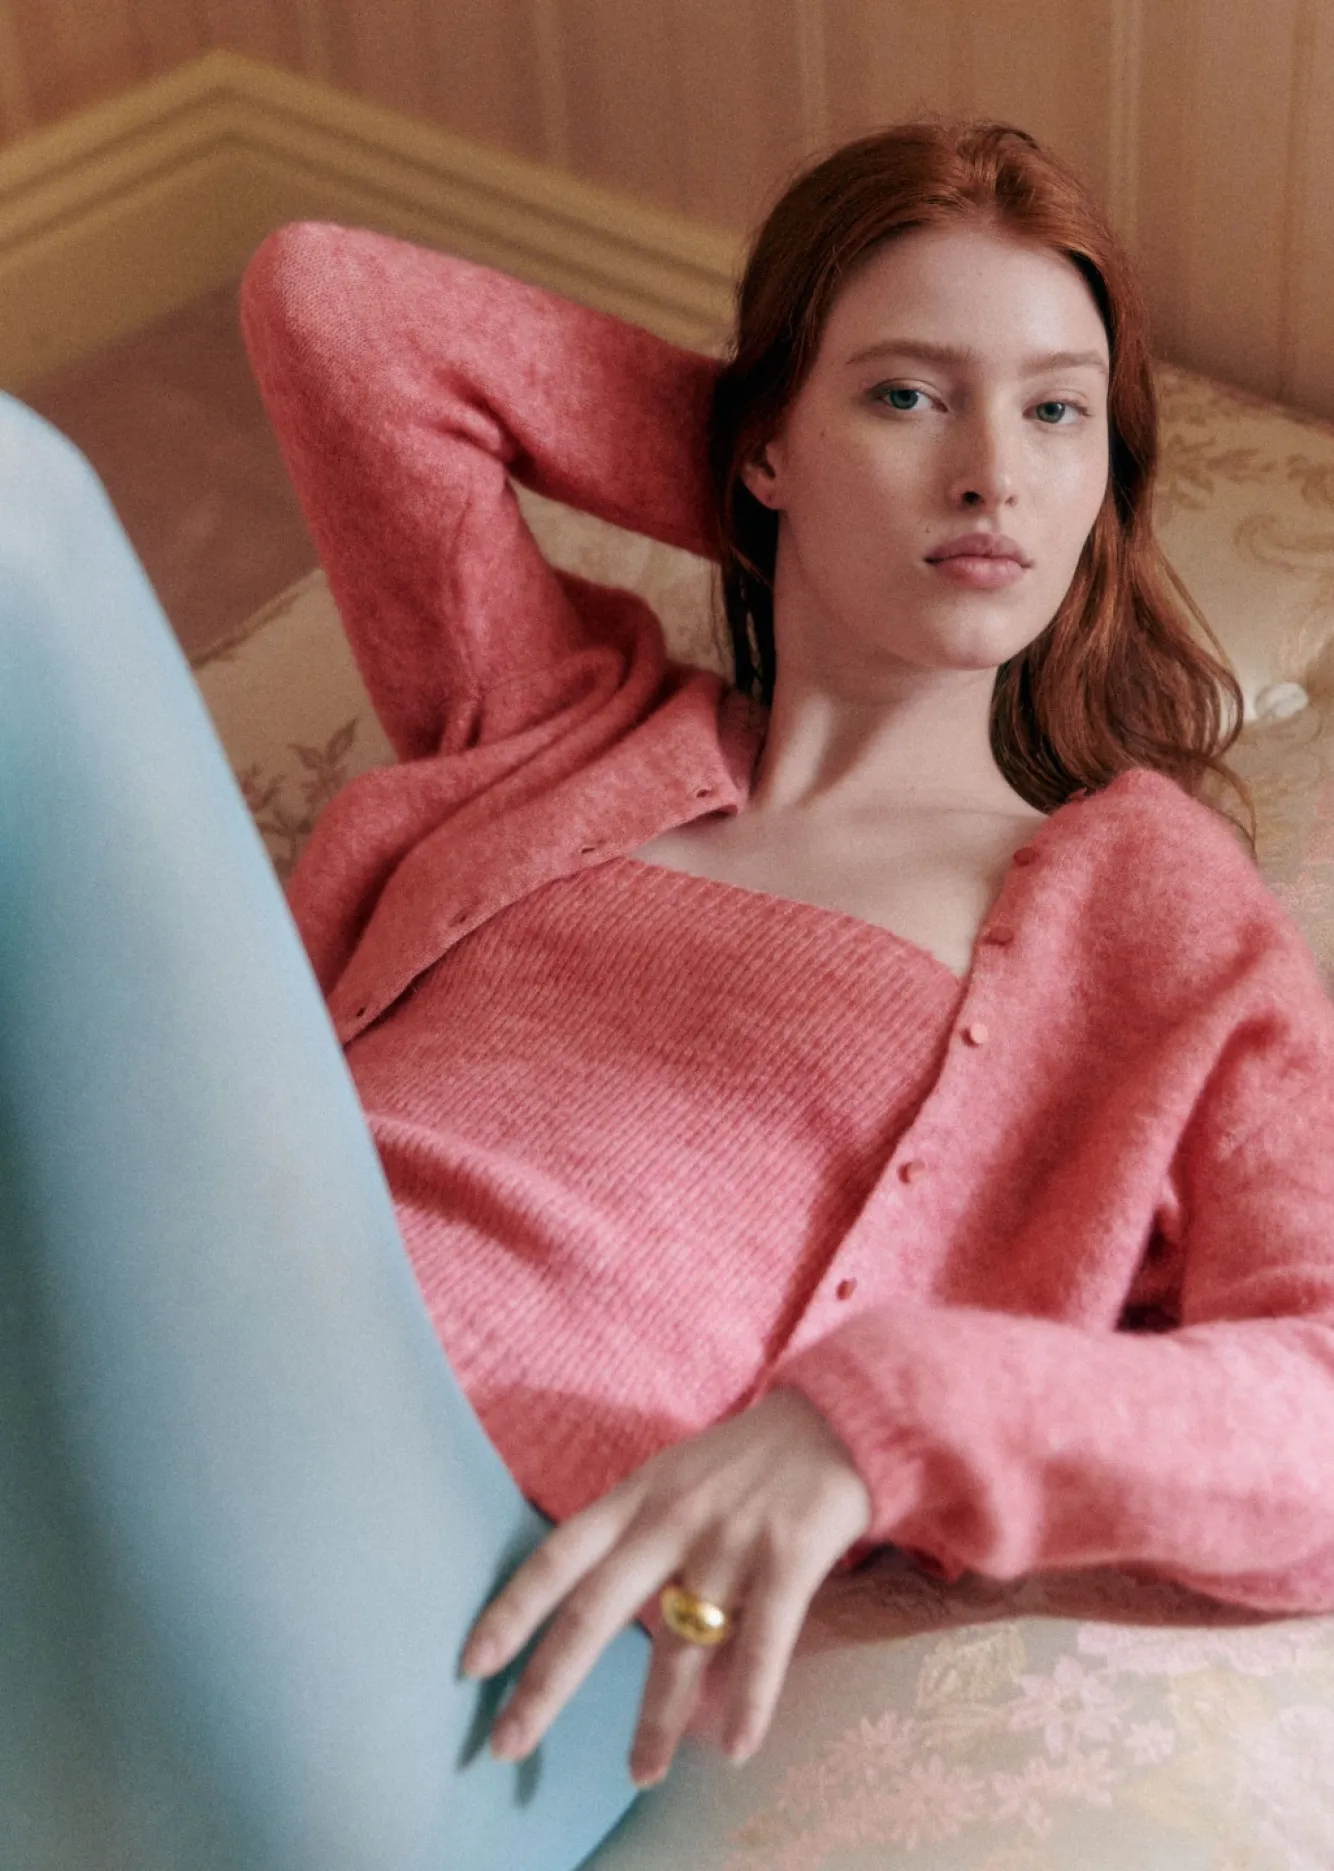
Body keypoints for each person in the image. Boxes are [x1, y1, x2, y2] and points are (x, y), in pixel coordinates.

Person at [4, 118, 1333, 1871]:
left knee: (18, 523)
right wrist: (768, 463)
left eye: (1056, 412)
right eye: (908, 397)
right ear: (759, 443)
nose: (992, 477)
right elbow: (335, 308)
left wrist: (883, 1416)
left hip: (453, 1634)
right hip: (100, 1445)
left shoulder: (1145, 899)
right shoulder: (562, 719)